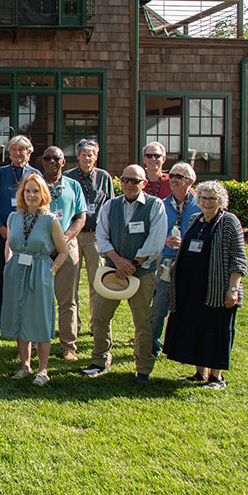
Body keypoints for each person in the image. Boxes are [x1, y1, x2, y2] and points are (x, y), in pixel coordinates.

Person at [82, 164, 168, 384]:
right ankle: (99, 360)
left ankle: (143, 368)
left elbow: (156, 241)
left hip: (142, 273)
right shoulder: (110, 206)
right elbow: (102, 237)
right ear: (120, 181)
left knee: (142, 322)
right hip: (113, 271)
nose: (130, 185)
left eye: (135, 181)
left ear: (144, 183)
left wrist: (134, 262)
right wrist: (119, 261)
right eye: (126, 180)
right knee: (100, 317)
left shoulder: (155, 206)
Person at [164, 181, 246, 389]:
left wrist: (233, 288)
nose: (207, 202)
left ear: (221, 201)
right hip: (190, 286)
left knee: (215, 329)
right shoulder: (194, 219)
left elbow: (238, 258)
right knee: (196, 327)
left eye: (212, 199)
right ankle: (200, 373)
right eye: (203, 198)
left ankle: (216, 377)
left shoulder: (229, 222)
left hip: (216, 287)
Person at [2, 173, 69, 386]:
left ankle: (43, 369)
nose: (31, 195)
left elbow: (63, 251)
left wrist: (52, 271)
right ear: (22, 194)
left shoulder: (50, 220)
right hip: (16, 271)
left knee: (40, 319)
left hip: (40, 271)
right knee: (19, 316)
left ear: (43, 195)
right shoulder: (13, 217)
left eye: (36, 191)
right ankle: (24, 365)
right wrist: (8, 263)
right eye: (28, 191)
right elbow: (9, 243)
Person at [0, 135, 41, 331]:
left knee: (27, 274)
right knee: (2, 275)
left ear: (29, 151)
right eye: (14, 150)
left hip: (28, 235)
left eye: (21, 149)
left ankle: (25, 314)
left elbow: (41, 203)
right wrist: (0, 227)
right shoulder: (1, 173)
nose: (17, 153)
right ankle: (1, 316)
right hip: (3, 234)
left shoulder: (35, 174)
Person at [40, 146, 87, 361]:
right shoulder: (35, 184)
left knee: (67, 299)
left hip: (67, 248)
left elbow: (80, 217)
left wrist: (65, 239)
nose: (51, 162)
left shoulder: (74, 186)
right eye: (47, 158)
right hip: (40, 249)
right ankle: (36, 341)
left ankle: (68, 345)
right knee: (38, 298)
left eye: (55, 158)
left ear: (63, 162)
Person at [150, 162, 200, 356]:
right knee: (158, 309)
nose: (174, 180)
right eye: (172, 176)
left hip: (190, 264)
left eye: (179, 176)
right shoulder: (161, 205)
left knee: (187, 309)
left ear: (190, 181)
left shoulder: (200, 205)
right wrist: (164, 240)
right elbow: (152, 233)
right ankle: (152, 347)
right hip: (166, 263)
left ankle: (182, 347)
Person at [64, 139, 114, 326]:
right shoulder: (68, 178)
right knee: (72, 282)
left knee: (97, 282)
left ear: (96, 156)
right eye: (83, 154)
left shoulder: (104, 177)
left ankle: (96, 322)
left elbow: (110, 207)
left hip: (95, 236)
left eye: (91, 154)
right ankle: (73, 323)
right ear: (78, 156)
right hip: (74, 235)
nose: (87, 158)